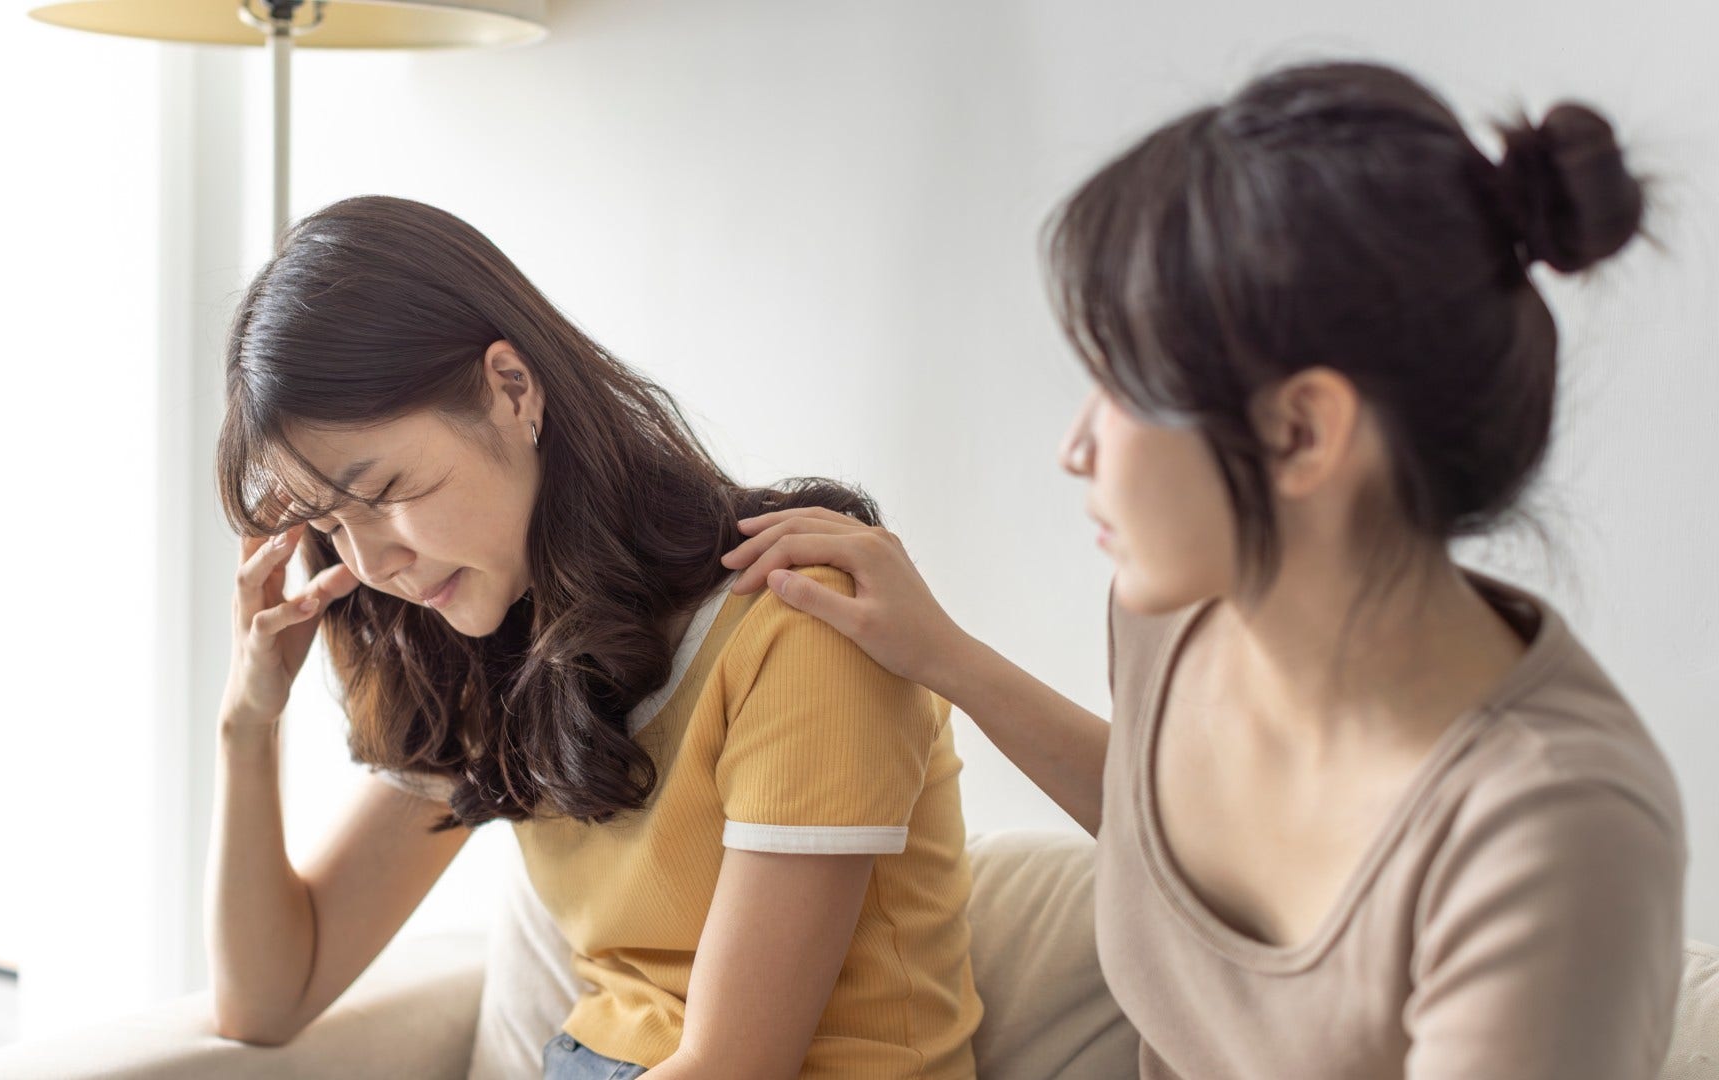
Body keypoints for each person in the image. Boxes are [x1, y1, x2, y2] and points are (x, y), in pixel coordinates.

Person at [722, 60, 1686, 1079]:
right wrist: (944, 656)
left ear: (1302, 432)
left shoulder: (1557, 838)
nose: (1078, 446)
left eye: (1122, 385)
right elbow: (1167, 836)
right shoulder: (1173, 618)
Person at [207, 195, 981, 1078]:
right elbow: (265, 1002)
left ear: (511, 389)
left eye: (385, 492)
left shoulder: (799, 618)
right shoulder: (491, 648)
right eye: (333, 527)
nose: (375, 562)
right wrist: (246, 721)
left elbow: (736, 1067)